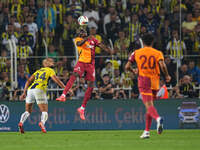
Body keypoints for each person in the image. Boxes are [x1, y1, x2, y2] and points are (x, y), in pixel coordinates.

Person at [56, 27, 113, 120]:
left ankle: (82, 108)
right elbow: (79, 44)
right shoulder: (78, 40)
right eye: (81, 32)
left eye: (84, 31)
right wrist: (87, 38)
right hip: (81, 62)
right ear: (79, 34)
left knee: (91, 86)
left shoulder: (93, 39)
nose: (83, 32)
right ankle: (63, 95)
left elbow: (100, 45)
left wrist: (108, 50)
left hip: (91, 65)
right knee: (74, 75)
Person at [125, 33, 171, 139]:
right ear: (152, 42)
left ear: (143, 42)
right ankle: (146, 131)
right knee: (149, 107)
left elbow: (127, 66)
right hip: (155, 81)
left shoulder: (136, 52)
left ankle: (158, 119)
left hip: (144, 80)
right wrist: (167, 75)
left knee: (148, 106)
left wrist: (134, 70)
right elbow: (162, 65)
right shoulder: (157, 53)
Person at [18, 58, 65, 134]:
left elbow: (29, 80)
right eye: (51, 61)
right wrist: (65, 88)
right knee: (44, 111)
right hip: (40, 89)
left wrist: (24, 92)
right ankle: (42, 123)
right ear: (46, 64)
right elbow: (56, 80)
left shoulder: (38, 71)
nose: (53, 62)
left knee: (27, 111)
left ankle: (21, 123)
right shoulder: (50, 70)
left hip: (30, 90)